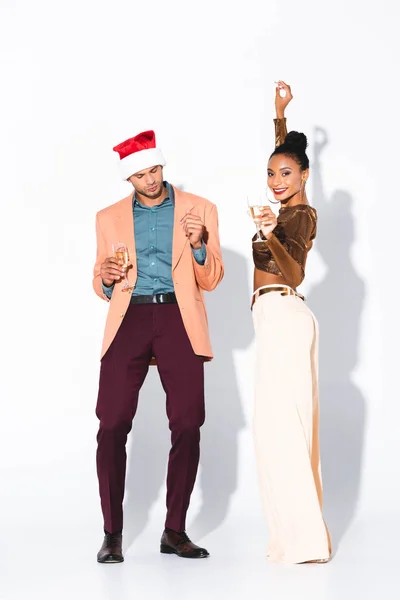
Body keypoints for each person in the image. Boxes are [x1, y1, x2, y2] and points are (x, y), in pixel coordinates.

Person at [93, 130, 224, 563]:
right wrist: (107, 278)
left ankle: (174, 530)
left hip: (178, 317)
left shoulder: (200, 210)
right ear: (127, 178)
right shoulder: (108, 217)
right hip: (129, 316)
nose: (150, 180)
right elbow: (99, 279)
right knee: (111, 423)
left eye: (155, 170)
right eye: (140, 175)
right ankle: (112, 532)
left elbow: (212, 279)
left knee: (188, 422)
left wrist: (200, 245)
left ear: (162, 166)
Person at [250, 82, 332, 564]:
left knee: (283, 430)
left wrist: (268, 234)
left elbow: (296, 271)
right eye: (269, 173)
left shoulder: (300, 216)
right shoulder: (287, 207)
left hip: (285, 313)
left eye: (285, 173)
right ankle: (296, 538)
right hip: (274, 318)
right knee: (277, 429)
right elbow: (287, 161)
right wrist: (279, 116)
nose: (276, 180)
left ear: (304, 176)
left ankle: (305, 544)